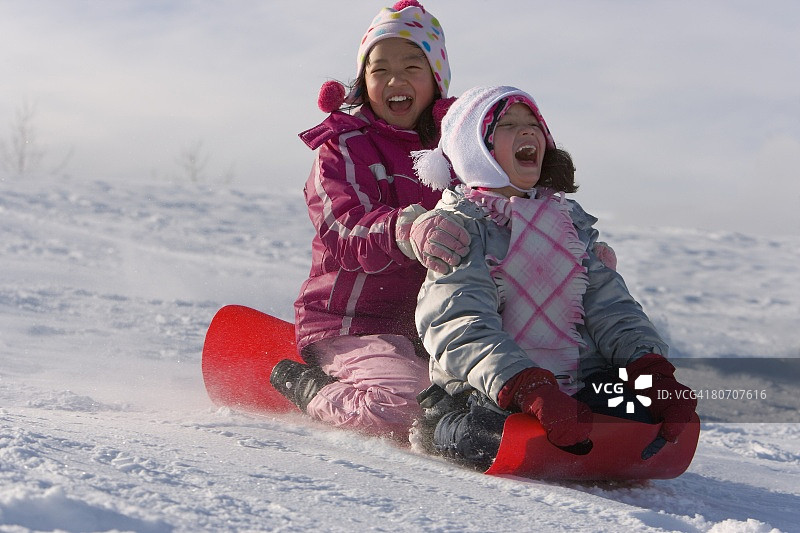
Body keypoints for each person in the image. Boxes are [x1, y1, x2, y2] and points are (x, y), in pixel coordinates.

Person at [412, 85, 697, 468]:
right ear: (474, 149)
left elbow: (611, 308)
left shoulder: (570, 224)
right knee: (487, 429)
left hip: (573, 387)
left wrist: (650, 370)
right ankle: (440, 430)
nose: (528, 131)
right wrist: (525, 385)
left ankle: (602, 430)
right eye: (508, 125)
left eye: (534, 123)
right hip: (487, 390)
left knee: (637, 411)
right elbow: (457, 323)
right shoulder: (461, 227)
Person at [269, 1, 471, 440]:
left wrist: (565, 251)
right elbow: (342, 225)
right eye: (380, 70)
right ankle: (311, 387)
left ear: (436, 78)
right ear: (363, 81)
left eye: (412, 66)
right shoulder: (342, 145)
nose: (395, 80)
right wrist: (407, 229)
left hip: (437, 323)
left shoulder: (462, 151)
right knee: (403, 409)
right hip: (352, 321)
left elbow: (502, 210)